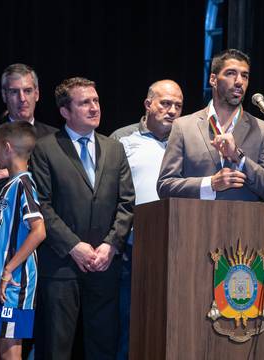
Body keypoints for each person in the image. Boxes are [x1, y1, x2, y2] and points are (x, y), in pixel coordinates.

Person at [30, 77, 135, 360]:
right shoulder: (45, 148)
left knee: (103, 345)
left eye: (96, 100)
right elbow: (42, 204)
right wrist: (74, 246)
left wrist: (111, 245)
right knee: (55, 347)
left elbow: (126, 203)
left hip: (104, 264)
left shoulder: (114, 148)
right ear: (65, 111)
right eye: (84, 102)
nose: (94, 107)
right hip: (61, 264)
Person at [112, 79, 183, 360]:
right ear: (148, 104)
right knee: (131, 325)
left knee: (172, 325)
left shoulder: (189, 139)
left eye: (178, 105)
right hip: (133, 249)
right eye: (165, 103)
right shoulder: (122, 138)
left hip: (178, 248)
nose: (172, 110)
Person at [157, 49, 264, 202]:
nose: (239, 81)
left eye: (244, 76)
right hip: (194, 223)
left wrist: (239, 158)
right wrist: (210, 184)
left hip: (246, 223)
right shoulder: (184, 126)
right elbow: (165, 186)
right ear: (213, 80)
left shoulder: (263, 129)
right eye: (230, 73)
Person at [0, 121, 46, 360]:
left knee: (8, 348)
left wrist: (8, 269)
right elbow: (5, 235)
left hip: (15, 285)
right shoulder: (9, 186)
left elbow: (38, 231)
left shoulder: (24, 185)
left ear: (6, 147)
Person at [0, 63, 56, 204]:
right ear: (4, 95)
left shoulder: (53, 135)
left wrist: (14, 172)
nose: (22, 98)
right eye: (14, 92)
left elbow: (60, 184)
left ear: (37, 94)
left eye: (28, 91)